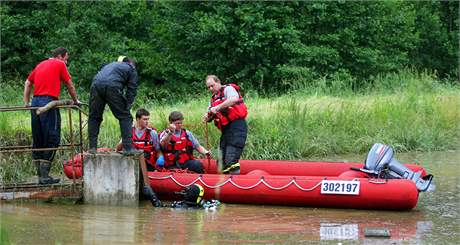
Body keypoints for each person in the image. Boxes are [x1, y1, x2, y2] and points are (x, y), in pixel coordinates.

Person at [23, 47, 80, 184]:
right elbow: (69, 85)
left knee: (39, 138)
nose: (66, 63)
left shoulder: (40, 64)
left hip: (35, 103)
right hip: (48, 102)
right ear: (60, 57)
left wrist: (26, 103)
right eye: (66, 59)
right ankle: (44, 176)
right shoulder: (59, 64)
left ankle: (40, 176)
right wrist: (76, 101)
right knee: (52, 137)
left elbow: (27, 83)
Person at [88, 56, 139, 155]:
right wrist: (127, 105)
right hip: (112, 86)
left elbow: (101, 75)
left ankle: (92, 147)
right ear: (131, 64)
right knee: (125, 117)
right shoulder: (131, 69)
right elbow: (132, 89)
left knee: (94, 116)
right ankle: (128, 148)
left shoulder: (110, 65)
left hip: (95, 84)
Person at [203, 75, 248, 174]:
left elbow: (233, 99)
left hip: (237, 126)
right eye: (208, 87)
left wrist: (218, 108)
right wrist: (207, 116)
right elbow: (210, 113)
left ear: (218, 82)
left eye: (212, 86)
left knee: (230, 159)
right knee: (221, 161)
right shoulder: (213, 99)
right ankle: (225, 184)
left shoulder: (228, 89)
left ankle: (235, 183)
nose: (211, 89)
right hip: (225, 130)